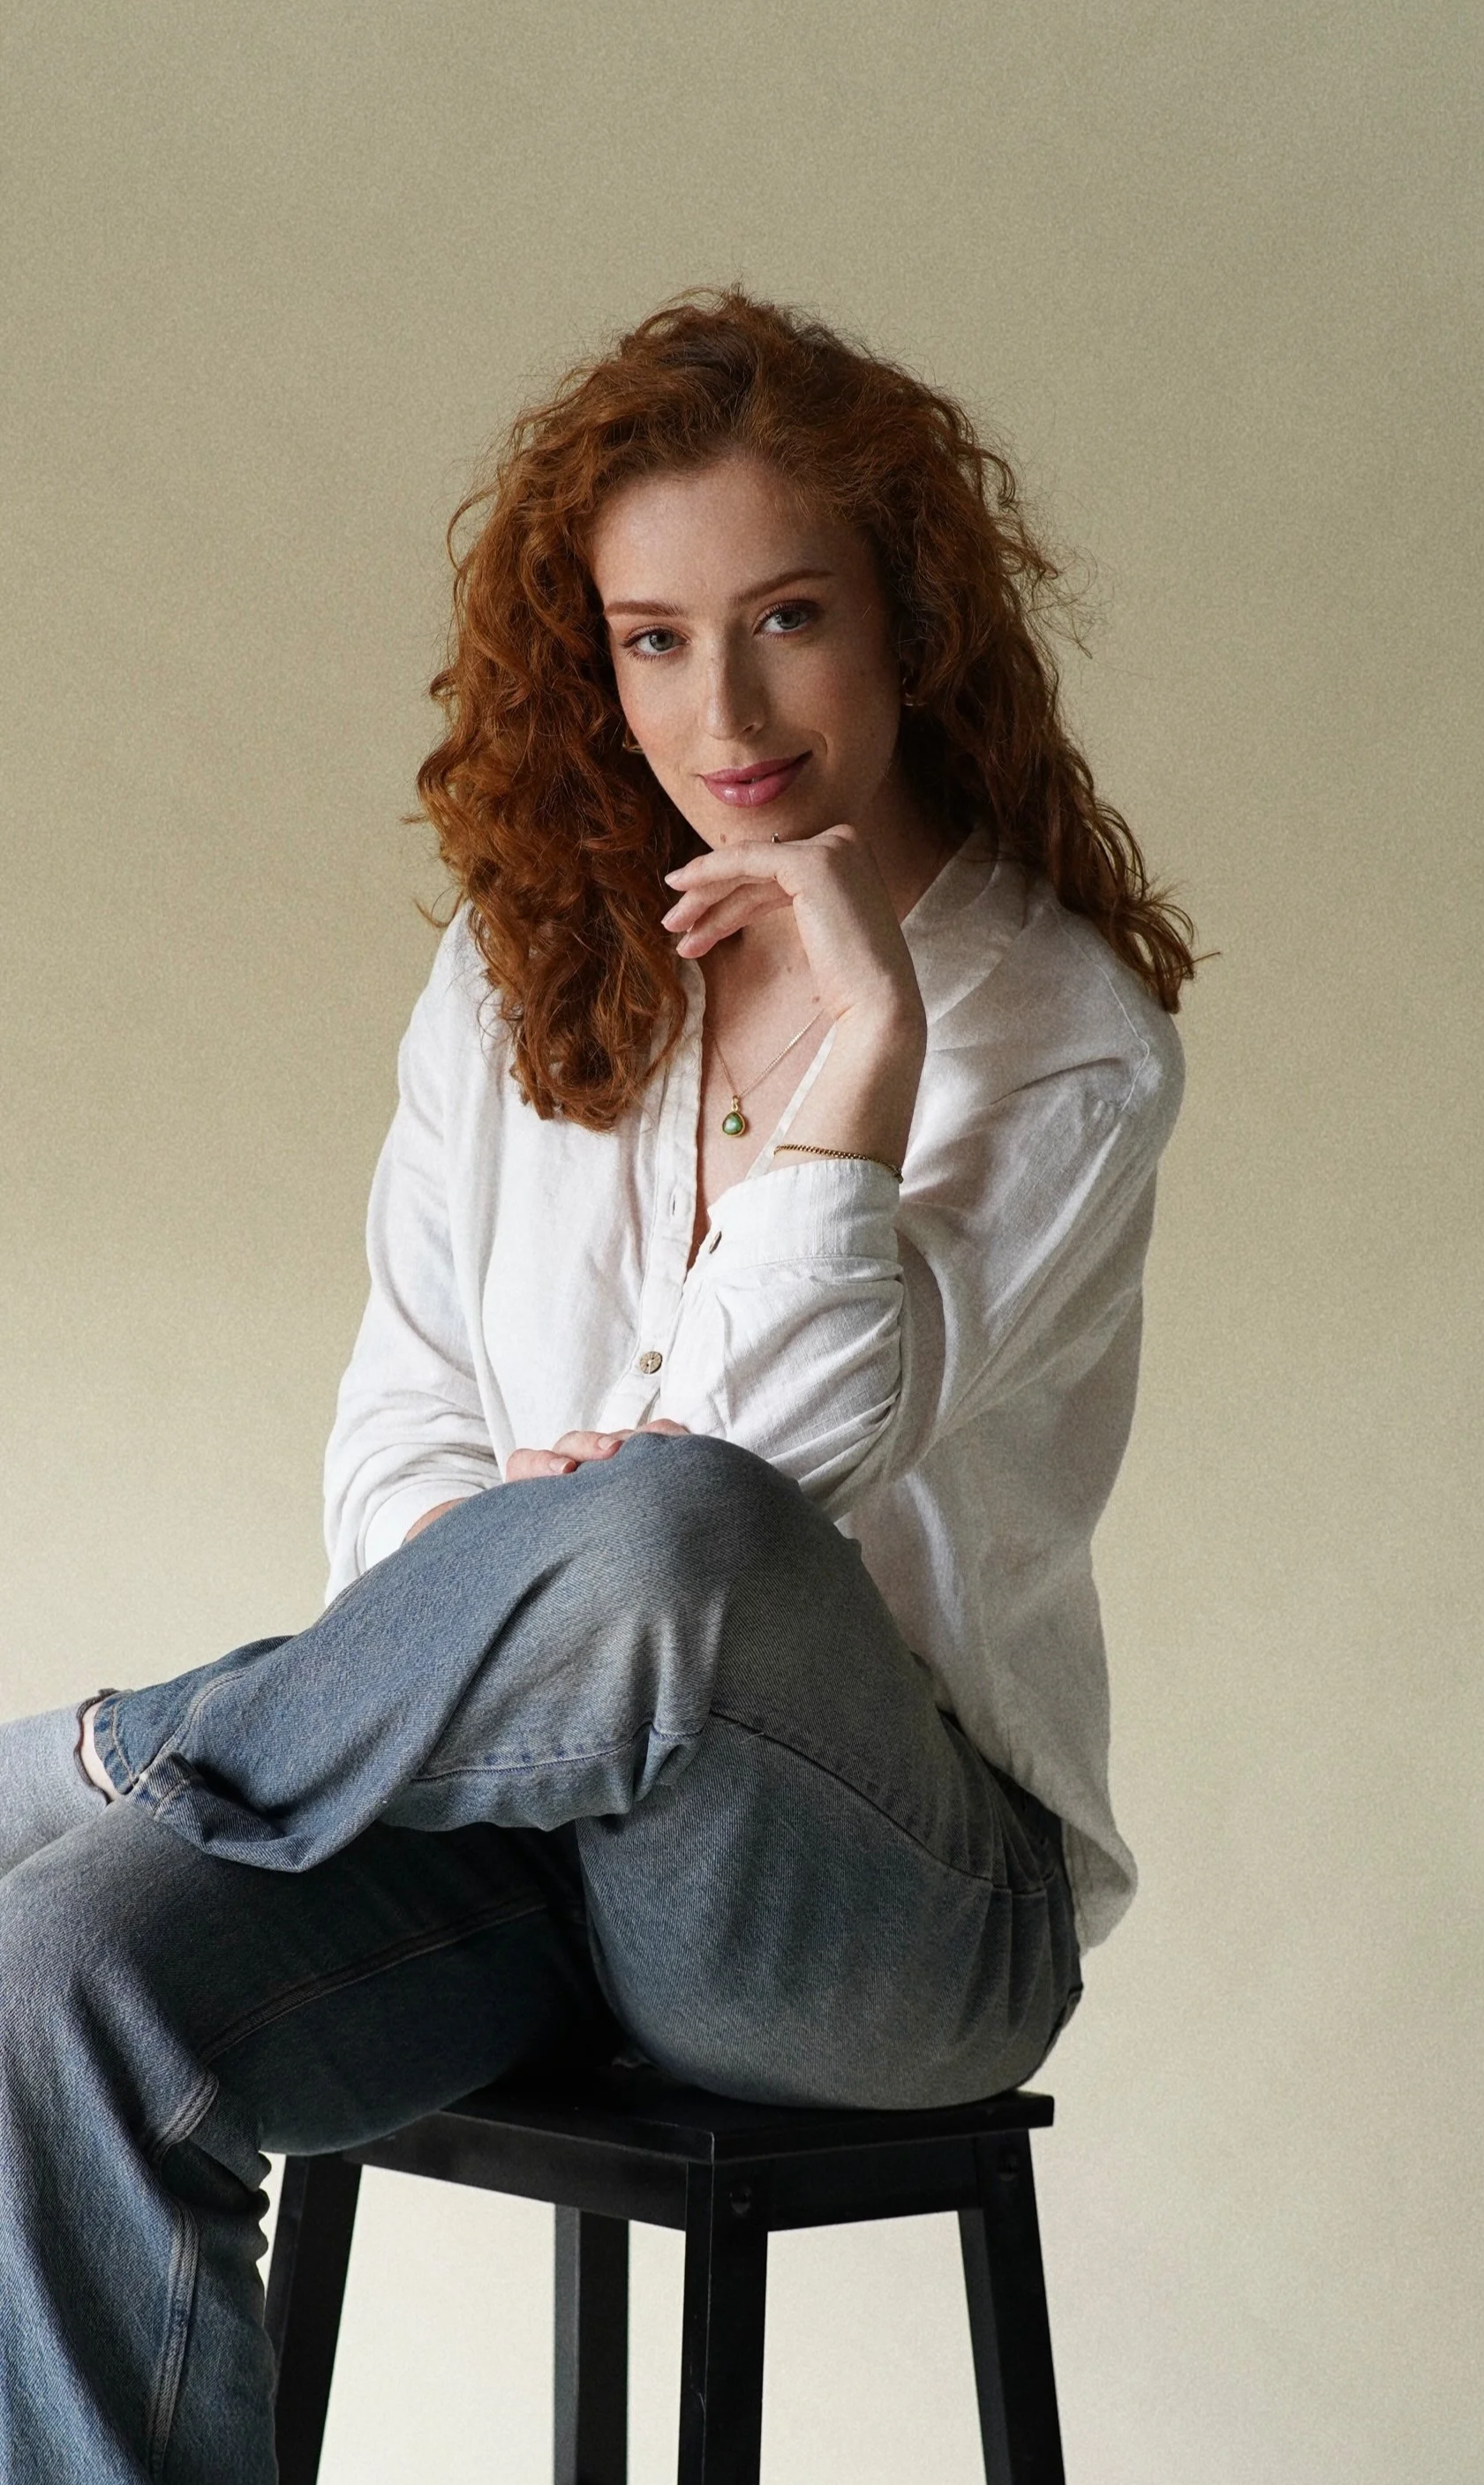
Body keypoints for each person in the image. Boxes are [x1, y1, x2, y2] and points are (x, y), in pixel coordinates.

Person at [0, 290, 1194, 2481]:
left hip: (872, 1919)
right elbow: (404, 1413)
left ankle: (108, 1754)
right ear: (595, 660)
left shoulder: (1065, 1044)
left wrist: (871, 1040)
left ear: (913, 621)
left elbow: (761, 1481)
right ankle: (106, 1805)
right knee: (61, 1964)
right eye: (655, 640)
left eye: (789, 620)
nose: (722, 713)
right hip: (519, 1837)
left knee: (677, 1519)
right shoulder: (522, 961)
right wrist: (501, 1558)